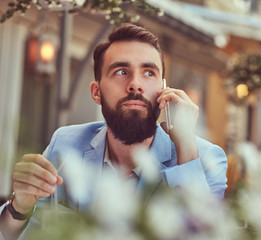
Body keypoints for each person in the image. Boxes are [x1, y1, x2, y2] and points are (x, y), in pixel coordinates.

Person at [0, 23, 228, 239]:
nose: (135, 84)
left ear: (164, 90)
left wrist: (186, 147)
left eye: (149, 72)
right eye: (121, 71)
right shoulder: (65, 143)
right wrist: (19, 208)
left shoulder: (207, 160)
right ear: (96, 92)